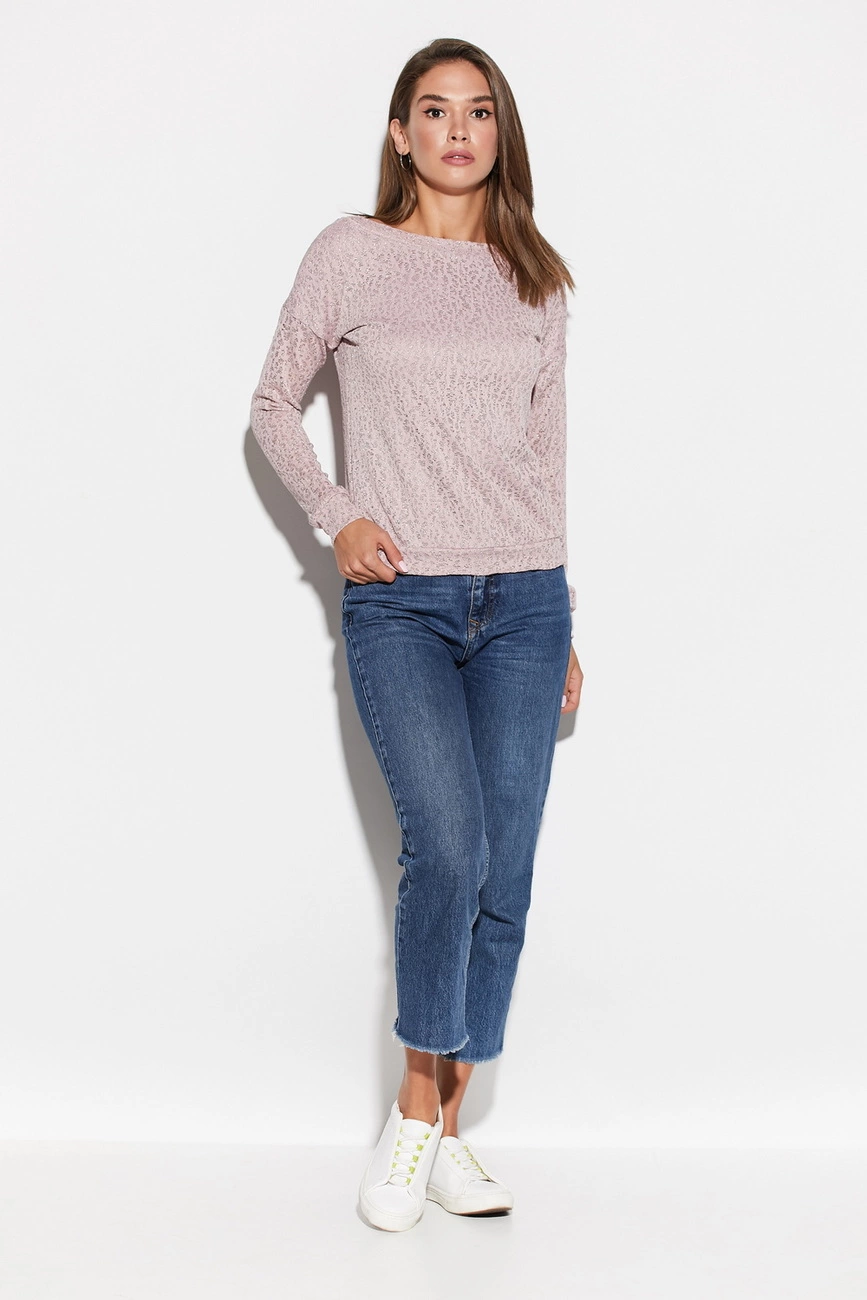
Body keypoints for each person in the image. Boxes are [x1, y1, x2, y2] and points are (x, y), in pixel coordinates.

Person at [250, 37, 584, 1233]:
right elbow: (271, 406)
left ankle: (445, 1126)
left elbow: (545, 455)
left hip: (526, 601)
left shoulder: (534, 277)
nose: (457, 130)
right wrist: (336, 514)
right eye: (434, 111)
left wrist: (565, 613)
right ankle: (413, 1111)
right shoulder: (351, 253)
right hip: (402, 603)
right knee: (445, 848)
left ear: (501, 132)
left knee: (508, 872)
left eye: (478, 111)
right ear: (400, 135)